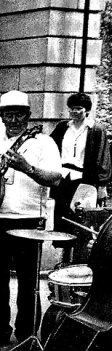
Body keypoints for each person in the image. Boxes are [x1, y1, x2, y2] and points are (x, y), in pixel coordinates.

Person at [0, 90, 62, 348]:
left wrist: (28, 168)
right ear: (2, 115)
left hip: (27, 218)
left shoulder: (43, 142)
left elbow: (55, 178)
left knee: (28, 282)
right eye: (8, 115)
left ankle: (27, 333)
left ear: (28, 116)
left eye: (19, 115)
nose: (13, 120)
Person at [49, 92, 112, 260]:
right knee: (62, 218)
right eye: (72, 109)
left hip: (85, 180)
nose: (75, 112)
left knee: (82, 219)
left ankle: (79, 260)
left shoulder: (96, 130)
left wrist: (102, 185)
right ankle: (63, 259)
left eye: (79, 109)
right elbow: (50, 147)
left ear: (87, 110)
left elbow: (103, 156)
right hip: (63, 178)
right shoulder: (63, 127)